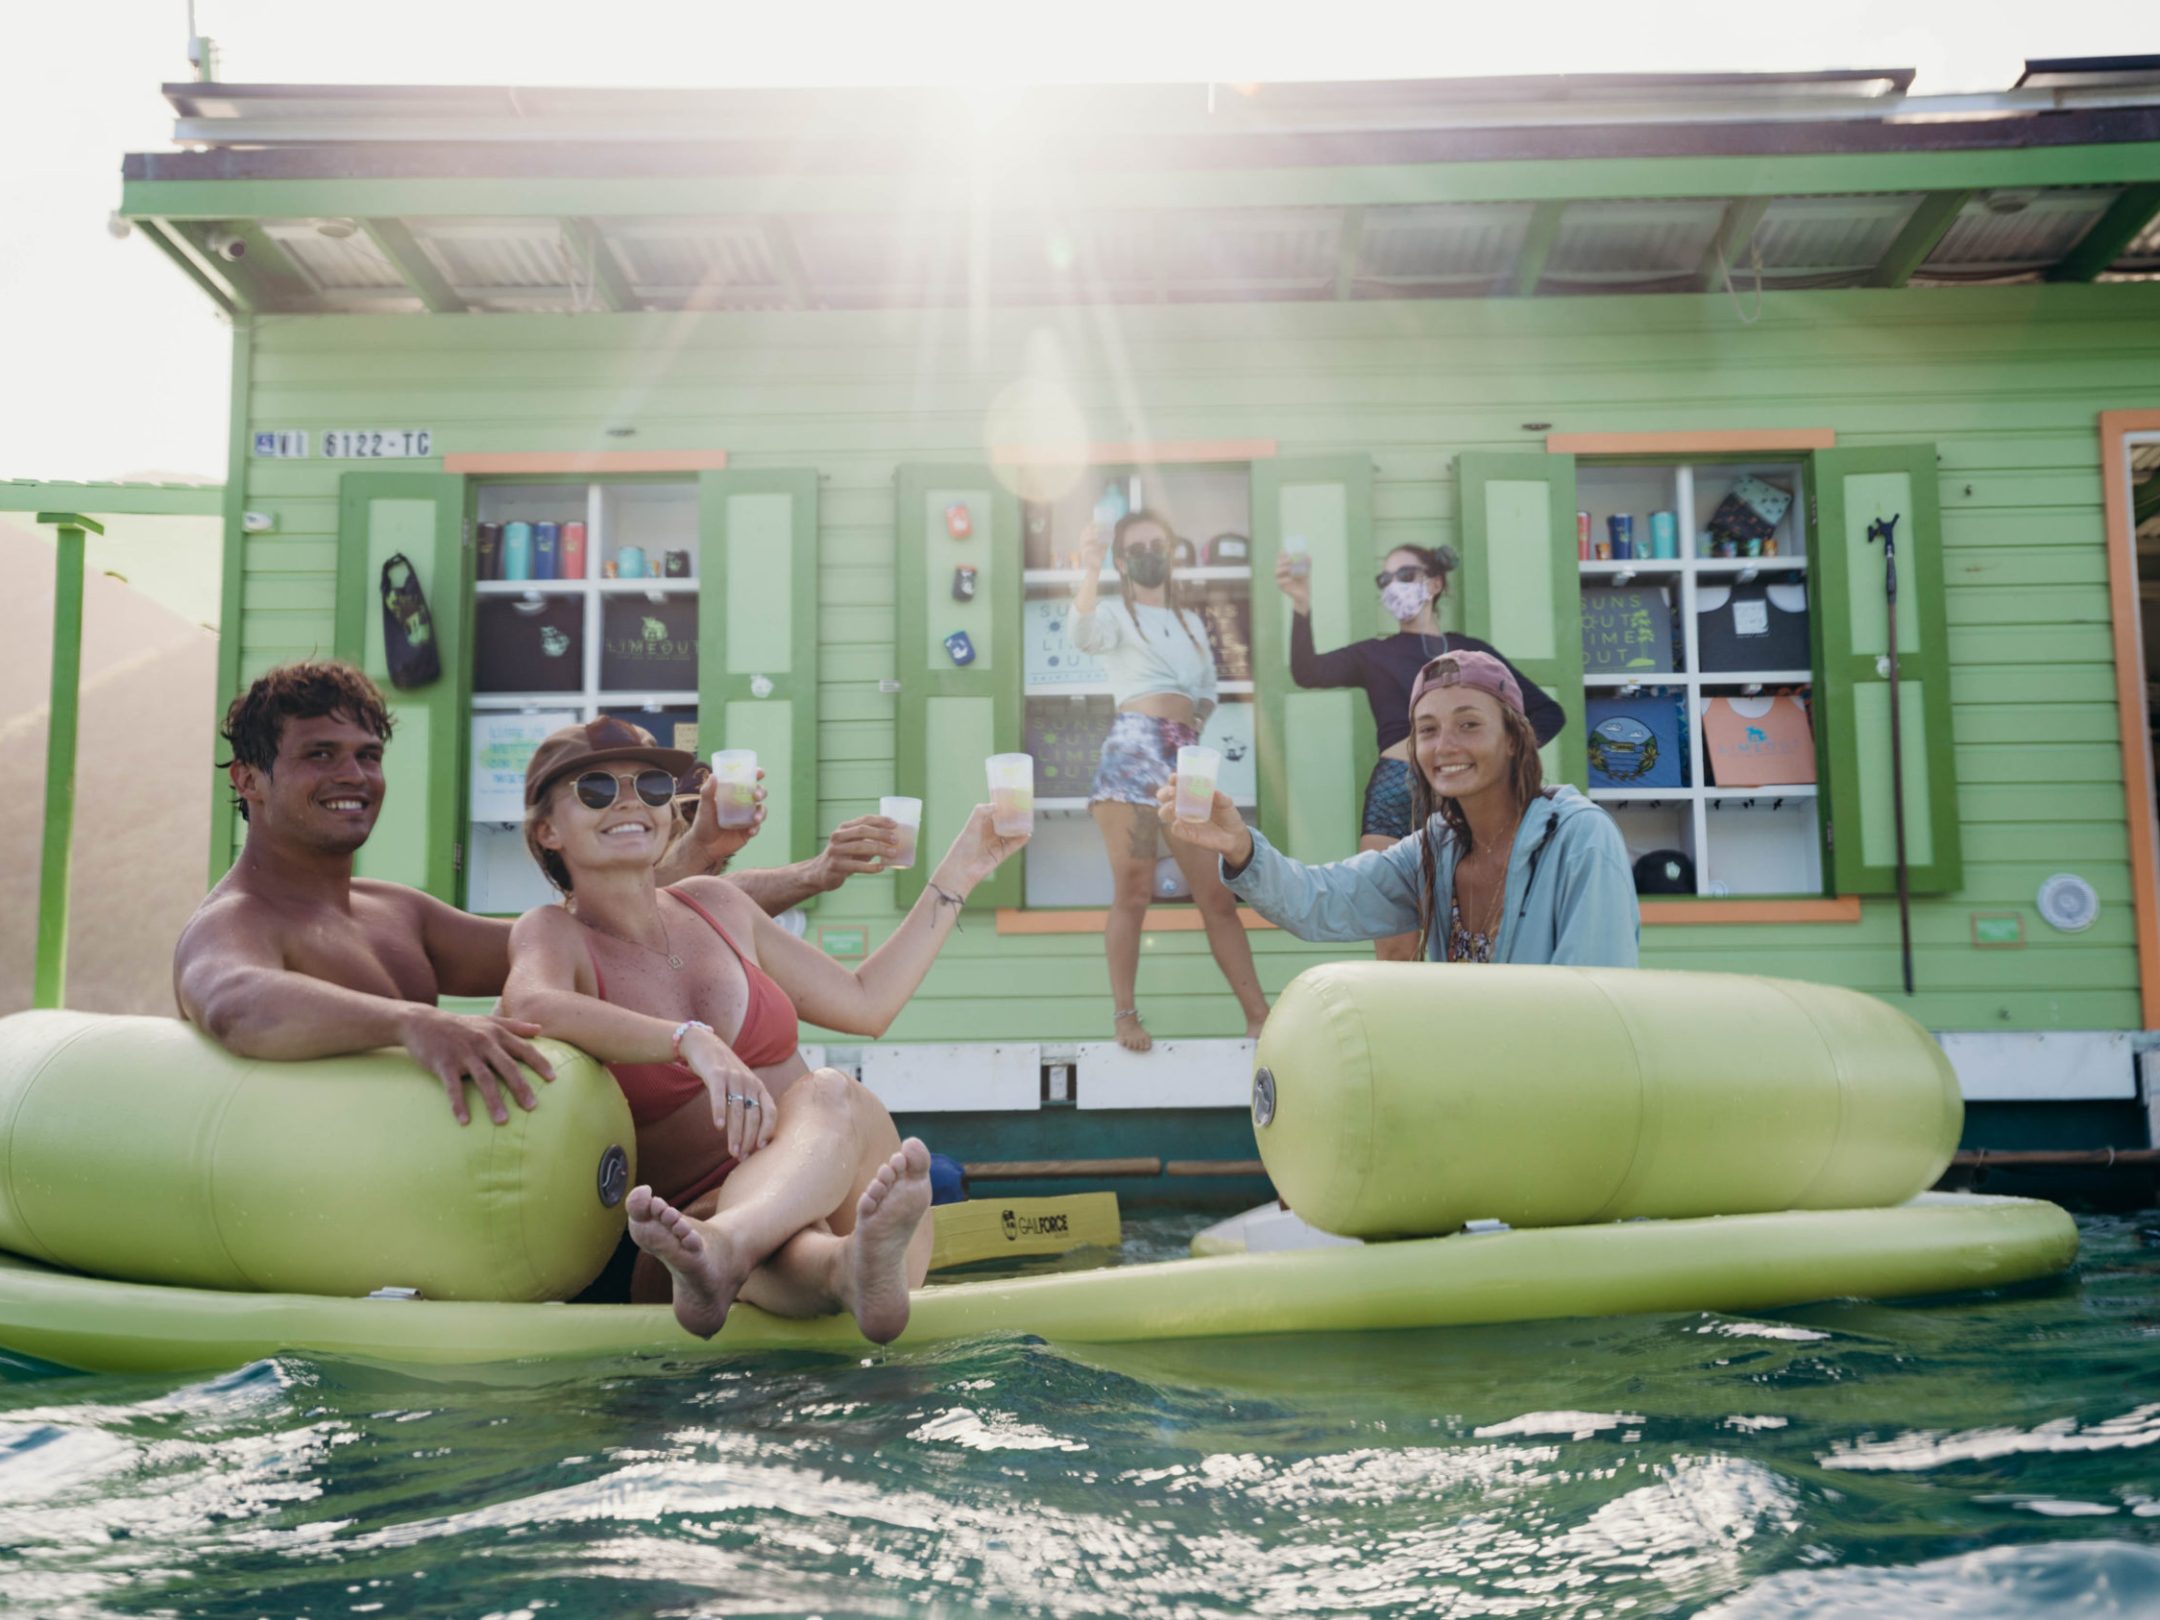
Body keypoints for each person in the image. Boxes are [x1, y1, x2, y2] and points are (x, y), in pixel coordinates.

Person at [174, 661, 900, 1126]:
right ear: (247, 780)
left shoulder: (395, 913)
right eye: (319, 756)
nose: (354, 777)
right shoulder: (236, 921)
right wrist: (412, 1023)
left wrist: (746, 859)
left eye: (367, 756)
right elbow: (235, 1004)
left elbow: (607, 927)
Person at [501, 717, 1027, 1342]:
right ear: (547, 830)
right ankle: (845, 1270)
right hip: (686, 1236)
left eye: (649, 785)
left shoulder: (718, 905)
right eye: (594, 789)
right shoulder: (552, 933)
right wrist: (688, 1038)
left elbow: (868, 1003)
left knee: (831, 1091)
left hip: (805, 1209)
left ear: (671, 812)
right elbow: (530, 1004)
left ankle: (763, 1252)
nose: (629, 802)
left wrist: (962, 870)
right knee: (766, 1238)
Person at [1163, 649, 1637, 967]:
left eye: (1468, 724)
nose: (1444, 746)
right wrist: (1242, 847)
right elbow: (1321, 900)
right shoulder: (1435, 848)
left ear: (1514, 739)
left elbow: (1595, 1002)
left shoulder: (1580, 839)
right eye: (1427, 730)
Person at [1275, 542, 1567, 961]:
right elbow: (1308, 672)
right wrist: (1301, 604)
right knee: (1392, 942)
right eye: (1386, 579)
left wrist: (1492, 761)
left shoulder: (1471, 653)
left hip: (1458, 792)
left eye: (1405, 575)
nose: (1394, 586)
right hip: (1393, 789)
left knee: (1463, 930)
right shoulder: (1375, 653)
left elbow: (1546, 713)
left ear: (1434, 583)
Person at [1071, 509, 1270, 1051]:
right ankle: (1125, 1017)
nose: (1148, 553)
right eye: (1136, 547)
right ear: (1121, 560)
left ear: (1171, 550)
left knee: (1217, 893)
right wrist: (1089, 569)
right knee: (1133, 892)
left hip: (1184, 758)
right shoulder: (1112, 611)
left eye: (1157, 543)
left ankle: (1259, 1015)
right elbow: (1082, 633)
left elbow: (1207, 689)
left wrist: (1190, 729)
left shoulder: (1191, 623)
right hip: (1133, 751)